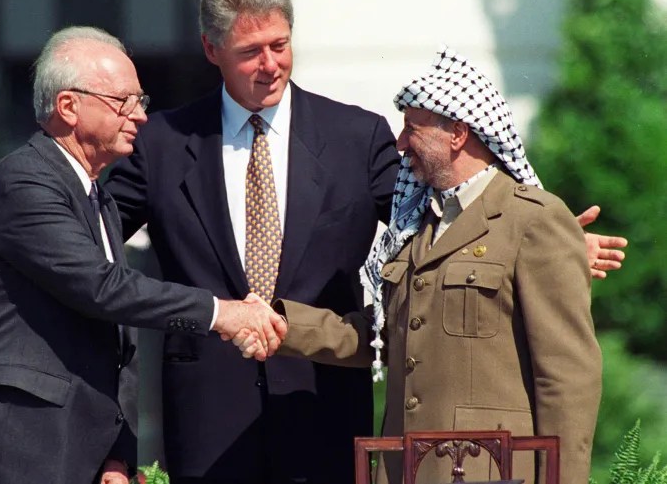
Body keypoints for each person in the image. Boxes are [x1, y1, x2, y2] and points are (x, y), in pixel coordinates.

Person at [0, 0, 625, 482]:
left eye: (280, 44)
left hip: (323, 406)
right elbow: (82, 250)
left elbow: (435, 222)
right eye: (250, 50)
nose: (270, 63)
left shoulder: (357, 135)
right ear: (213, 51)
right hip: (209, 420)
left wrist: (546, 242)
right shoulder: (161, 141)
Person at [0, 26, 286, 484]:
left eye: (141, 101)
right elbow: (102, 289)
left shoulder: (98, 199)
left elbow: (114, 339)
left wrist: (116, 457)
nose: (140, 116)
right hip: (4, 448)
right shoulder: (24, 181)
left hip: (69, 453)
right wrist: (221, 313)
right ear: (69, 106)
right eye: (125, 102)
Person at [238, 47, 602, 484]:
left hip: (492, 471)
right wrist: (280, 323)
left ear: (458, 134)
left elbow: (567, 376)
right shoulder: (419, 226)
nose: (400, 143)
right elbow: (383, 336)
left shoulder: (533, 220)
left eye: (413, 129)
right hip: (406, 467)